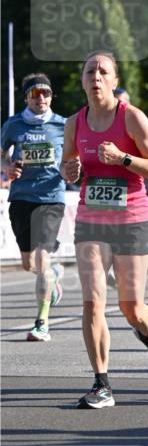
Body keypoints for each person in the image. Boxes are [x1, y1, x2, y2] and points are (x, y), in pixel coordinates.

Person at [59, 51, 148, 409]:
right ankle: (102, 384)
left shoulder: (132, 118)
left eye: (102, 71)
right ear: (82, 82)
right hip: (91, 219)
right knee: (93, 301)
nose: (95, 76)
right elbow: (67, 165)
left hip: (131, 220)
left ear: (114, 80)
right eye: (89, 71)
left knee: (131, 308)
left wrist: (124, 158)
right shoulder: (74, 124)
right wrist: (69, 171)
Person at [1, 73, 66, 341]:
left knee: (41, 258)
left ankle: (42, 322)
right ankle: (53, 275)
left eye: (46, 93)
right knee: (29, 264)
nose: (41, 98)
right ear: (26, 97)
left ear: (51, 96)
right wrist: (6, 167)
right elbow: (1, 154)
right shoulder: (13, 124)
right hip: (21, 198)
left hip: (51, 197)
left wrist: (73, 168)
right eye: (35, 93)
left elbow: (75, 156)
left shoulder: (63, 125)